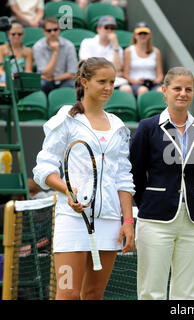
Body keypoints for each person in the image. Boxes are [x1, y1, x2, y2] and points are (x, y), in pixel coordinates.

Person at [32, 57, 135, 300]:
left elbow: (123, 177)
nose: (108, 88)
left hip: (109, 222)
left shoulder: (118, 126)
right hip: (72, 221)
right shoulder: (65, 120)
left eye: (112, 82)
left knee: (93, 295)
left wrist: (128, 221)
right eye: (102, 81)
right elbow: (42, 170)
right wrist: (68, 190)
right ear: (85, 82)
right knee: (67, 293)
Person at [130, 66, 194, 300]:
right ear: (164, 91)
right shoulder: (148, 128)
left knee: (189, 293)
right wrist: (150, 200)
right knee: (151, 291)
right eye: (177, 88)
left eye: (188, 89)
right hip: (155, 219)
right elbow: (135, 172)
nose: (183, 93)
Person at [33, 17, 77, 95]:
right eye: (49, 30)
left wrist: (53, 79)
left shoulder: (69, 45)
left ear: (59, 30)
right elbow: (46, 74)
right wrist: (55, 52)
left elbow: (72, 73)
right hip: (45, 81)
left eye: (55, 29)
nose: (52, 33)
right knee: (42, 84)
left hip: (64, 80)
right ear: (44, 31)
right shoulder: (38, 47)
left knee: (72, 84)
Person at [119, 21, 164, 97]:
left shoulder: (156, 52)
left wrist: (156, 80)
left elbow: (160, 75)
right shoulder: (129, 51)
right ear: (135, 35)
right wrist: (135, 81)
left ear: (149, 35)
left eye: (145, 33)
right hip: (135, 84)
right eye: (140, 33)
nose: (142, 36)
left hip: (152, 84)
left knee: (161, 91)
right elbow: (125, 74)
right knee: (143, 90)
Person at [79, 16, 124, 85]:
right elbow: (87, 64)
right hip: (93, 79)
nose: (109, 30)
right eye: (106, 27)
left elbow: (117, 69)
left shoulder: (117, 48)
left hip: (112, 81)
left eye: (112, 28)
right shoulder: (87, 42)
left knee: (126, 88)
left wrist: (115, 46)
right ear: (98, 29)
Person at [0, 22, 33, 87]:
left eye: (19, 34)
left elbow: (28, 70)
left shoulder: (28, 51)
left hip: (20, 79)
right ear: (8, 35)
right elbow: (0, 69)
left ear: (23, 35)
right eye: (13, 34)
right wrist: (9, 76)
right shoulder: (1, 49)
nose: (16, 36)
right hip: (4, 77)